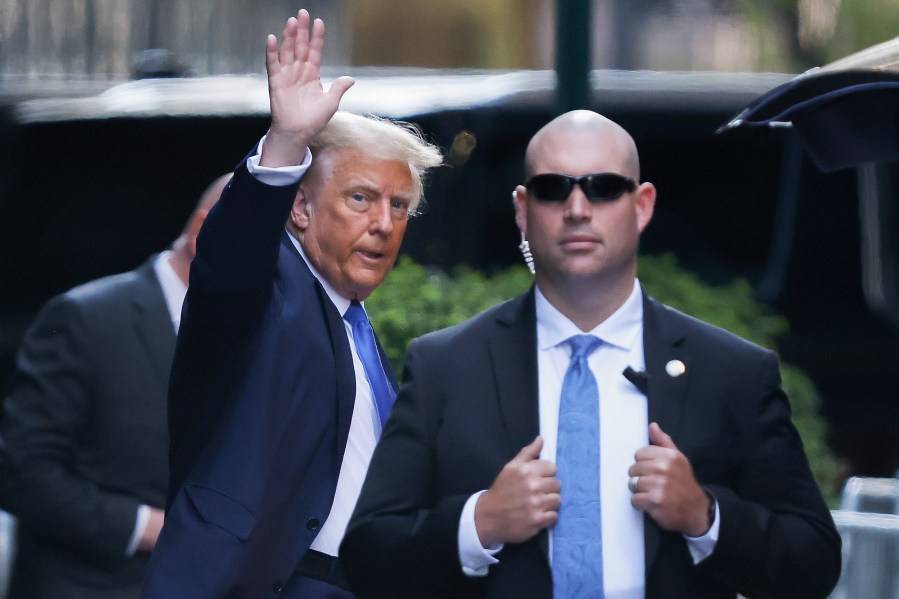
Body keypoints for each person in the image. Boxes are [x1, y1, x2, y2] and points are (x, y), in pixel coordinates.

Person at [340, 110, 842, 599]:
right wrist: (481, 521)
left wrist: (705, 516)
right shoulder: (446, 367)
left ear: (642, 205)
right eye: (552, 188)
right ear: (522, 210)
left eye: (602, 187)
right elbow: (369, 556)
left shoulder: (731, 372)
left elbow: (812, 564)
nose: (577, 208)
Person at [139, 9, 442, 599]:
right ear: (300, 210)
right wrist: (285, 144)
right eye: (361, 198)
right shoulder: (271, 291)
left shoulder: (356, 327)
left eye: (400, 206)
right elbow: (229, 266)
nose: (383, 224)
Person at [0, 173, 230, 599]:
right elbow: (20, 472)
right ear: (204, 232)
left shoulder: (267, 334)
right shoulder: (86, 318)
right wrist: (150, 528)